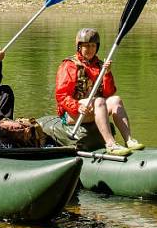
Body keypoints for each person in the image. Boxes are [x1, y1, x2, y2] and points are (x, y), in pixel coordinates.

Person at [54, 27, 144, 156]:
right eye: (86, 46)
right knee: (100, 101)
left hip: (95, 108)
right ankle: (111, 144)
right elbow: (61, 95)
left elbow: (108, 93)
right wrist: (77, 106)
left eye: (93, 45)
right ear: (79, 47)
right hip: (73, 113)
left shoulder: (100, 66)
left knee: (116, 100)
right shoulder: (69, 65)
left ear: (97, 47)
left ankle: (129, 140)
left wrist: (106, 74)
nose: (90, 49)